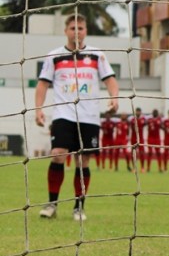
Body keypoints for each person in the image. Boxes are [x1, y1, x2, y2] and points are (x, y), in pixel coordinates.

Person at [34, 13, 119, 221]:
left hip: (89, 117)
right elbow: (43, 84)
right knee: (57, 154)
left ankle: (78, 207)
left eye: (80, 28)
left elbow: (110, 80)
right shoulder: (54, 56)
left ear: (86, 31)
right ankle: (52, 204)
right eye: (73, 28)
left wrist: (114, 98)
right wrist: (38, 109)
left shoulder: (97, 55)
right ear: (66, 31)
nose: (77, 32)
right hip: (63, 115)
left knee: (83, 160)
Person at [144, 109, 163, 173]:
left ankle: (160, 168)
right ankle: (148, 168)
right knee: (150, 153)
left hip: (157, 138)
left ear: (157, 113)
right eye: (154, 112)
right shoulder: (149, 119)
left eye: (156, 112)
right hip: (150, 138)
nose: (155, 113)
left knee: (158, 153)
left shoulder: (159, 120)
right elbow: (144, 123)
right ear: (152, 113)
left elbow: (162, 127)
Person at [129, 107, 147, 172]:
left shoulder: (143, 119)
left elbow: (146, 123)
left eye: (139, 111)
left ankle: (142, 167)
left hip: (140, 138)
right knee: (133, 153)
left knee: (142, 153)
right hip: (133, 138)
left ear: (140, 112)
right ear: (135, 112)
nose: (138, 112)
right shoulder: (132, 119)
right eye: (137, 111)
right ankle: (134, 168)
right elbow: (131, 127)